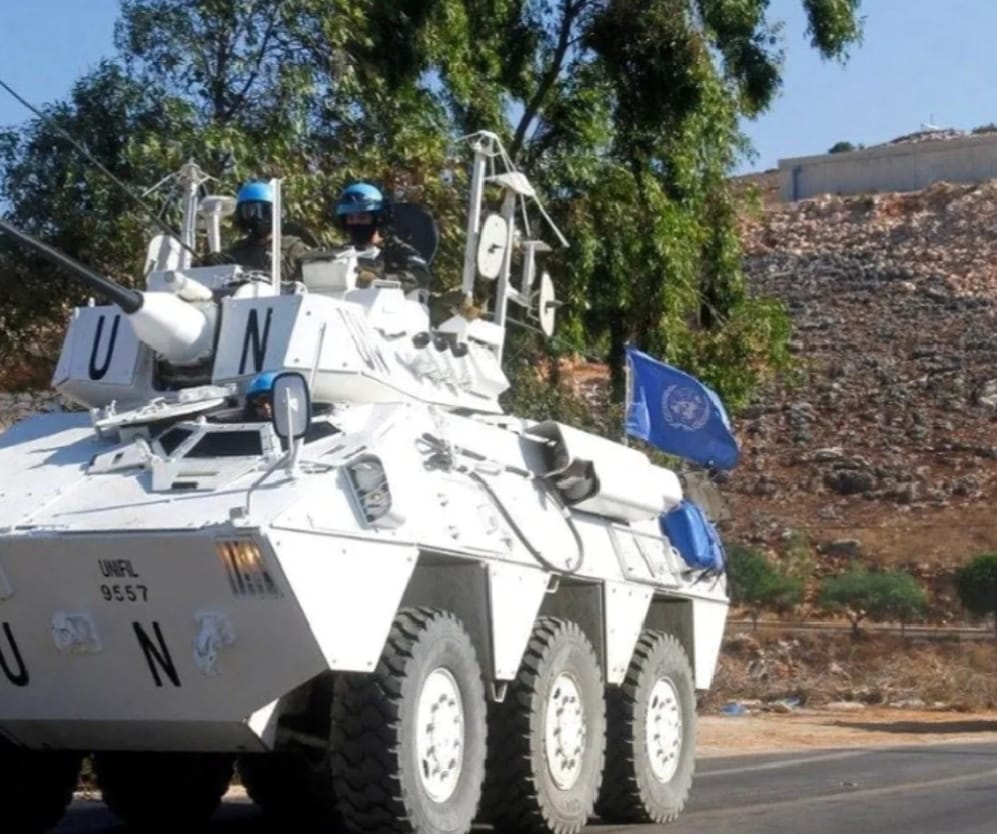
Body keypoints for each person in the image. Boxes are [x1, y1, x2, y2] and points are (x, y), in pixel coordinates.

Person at [199, 181, 311, 279]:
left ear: (273, 212)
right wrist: (209, 263)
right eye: (247, 212)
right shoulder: (237, 250)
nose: (254, 217)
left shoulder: (294, 249)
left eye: (260, 210)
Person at [334, 182, 430, 292]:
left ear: (378, 219)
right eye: (351, 218)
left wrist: (379, 280)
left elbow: (419, 277)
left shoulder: (398, 251)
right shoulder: (340, 255)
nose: (356, 223)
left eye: (362, 217)